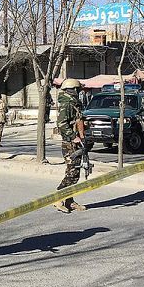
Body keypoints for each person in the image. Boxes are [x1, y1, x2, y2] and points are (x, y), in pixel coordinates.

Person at [54, 79, 88, 213]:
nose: (79, 92)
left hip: (76, 142)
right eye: (78, 90)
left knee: (74, 172)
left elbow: (76, 120)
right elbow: (61, 124)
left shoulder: (74, 103)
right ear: (73, 90)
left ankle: (69, 201)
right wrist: (73, 136)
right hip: (70, 143)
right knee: (72, 173)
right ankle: (58, 198)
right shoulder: (67, 103)